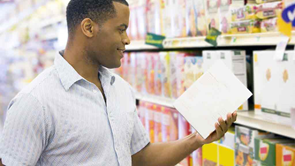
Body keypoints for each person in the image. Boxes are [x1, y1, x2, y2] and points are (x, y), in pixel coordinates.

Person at [0, 0, 237, 165]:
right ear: (89, 28)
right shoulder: (35, 102)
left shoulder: (120, 89)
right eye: (121, 29)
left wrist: (195, 140)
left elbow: (139, 159)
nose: (128, 39)